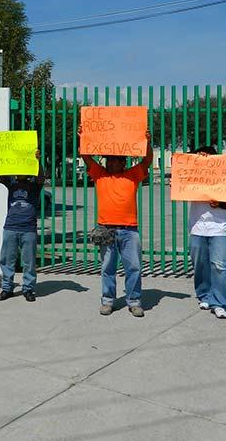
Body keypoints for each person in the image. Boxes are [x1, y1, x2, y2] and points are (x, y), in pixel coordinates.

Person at [80, 128, 153, 317]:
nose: (112, 162)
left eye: (116, 159)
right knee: (107, 268)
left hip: (130, 230)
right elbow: (87, 157)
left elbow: (147, 161)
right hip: (106, 229)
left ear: (123, 162)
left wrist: (147, 142)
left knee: (134, 267)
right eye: (109, 159)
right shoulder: (100, 175)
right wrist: (83, 138)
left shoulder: (133, 175)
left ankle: (134, 301)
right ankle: (107, 301)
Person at [0, 148, 45, 302]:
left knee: (29, 262)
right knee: (7, 260)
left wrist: (38, 161)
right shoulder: (11, 183)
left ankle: (28, 289)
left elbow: (42, 177)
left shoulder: (34, 185)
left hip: (28, 229)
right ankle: (7, 288)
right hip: (10, 227)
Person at [187, 146, 226, 320]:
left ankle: (219, 303)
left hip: (219, 229)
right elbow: (181, 186)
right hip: (197, 228)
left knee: (220, 266)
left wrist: (220, 204)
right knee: (200, 265)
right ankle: (203, 295)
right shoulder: (193, 174)